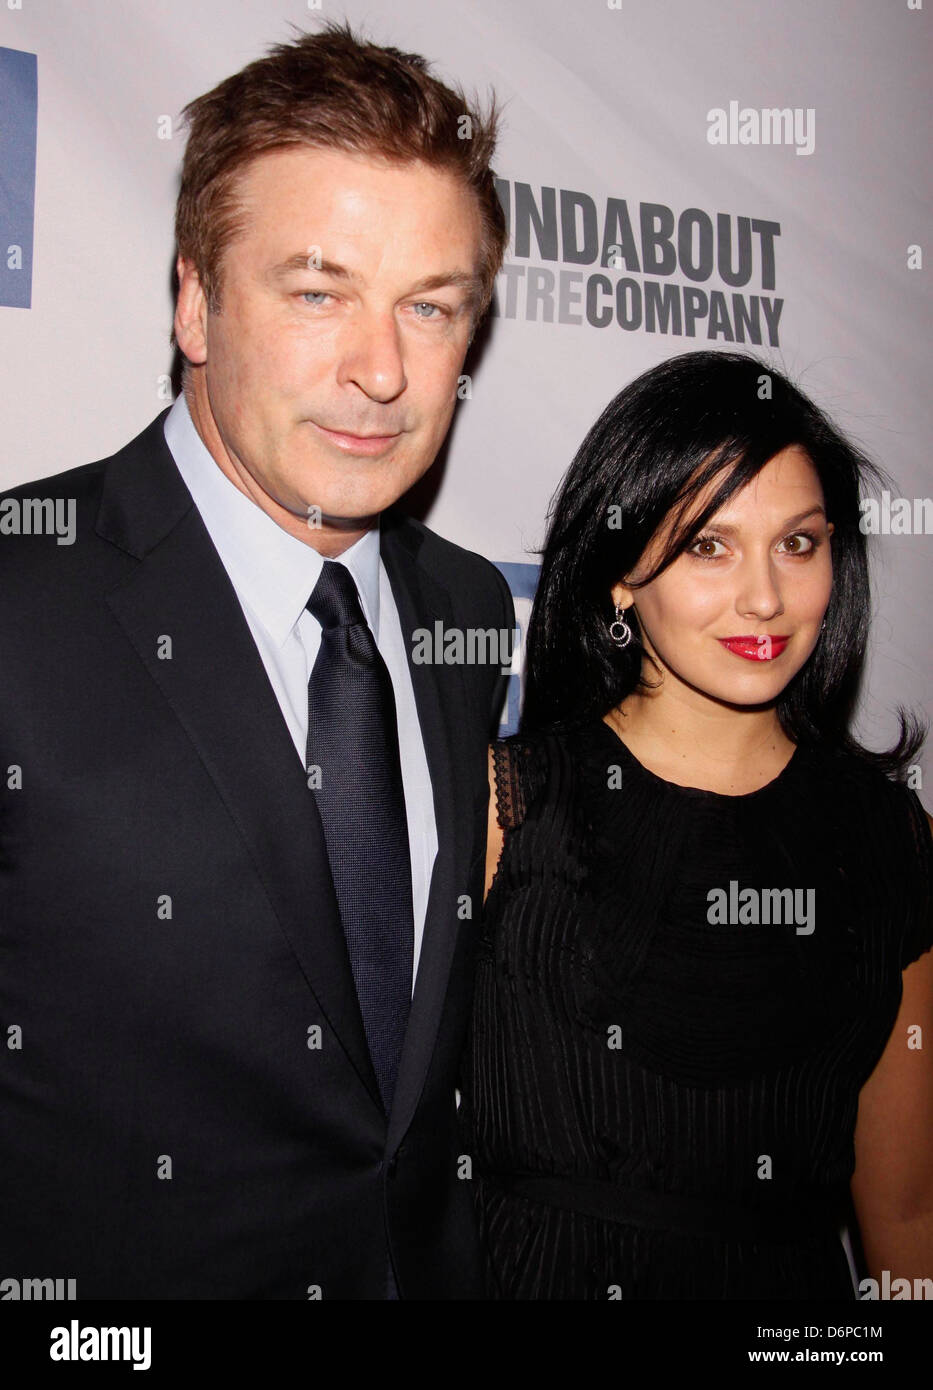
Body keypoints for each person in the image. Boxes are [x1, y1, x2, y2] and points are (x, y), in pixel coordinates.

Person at [0, 23, 513, 1299]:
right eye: (318, 289)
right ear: (193, 301)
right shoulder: (21, 591)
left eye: (430, 307)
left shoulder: (463, 611)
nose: (382, 369)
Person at [459, 350, 933, 1299]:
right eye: (708, 546)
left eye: (797, 543)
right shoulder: (507, 806)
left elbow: (908, 1210)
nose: (764, 597)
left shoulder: (890, 836)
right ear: (620, 577)